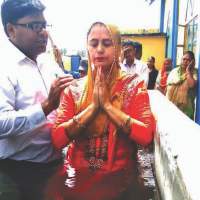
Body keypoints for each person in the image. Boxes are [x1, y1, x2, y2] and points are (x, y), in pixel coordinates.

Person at [47, 22, 155, 200]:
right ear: (87, 47)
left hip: (120, 185)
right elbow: (57, 140)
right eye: (93, 43)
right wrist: (93, 109)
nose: (99, 49)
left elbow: (145, 137)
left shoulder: (134, 86)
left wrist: (108, 107)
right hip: (77, 182)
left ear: (118, 48)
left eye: (107, 43)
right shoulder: (74, 90)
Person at [0, 0, 73, 200]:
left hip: (53, 167)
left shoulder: (48, 62)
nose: (43, 32)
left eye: (44, 25)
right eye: (34, 26)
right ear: (11, 30)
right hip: (15, 174)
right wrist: (46, 107)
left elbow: (69, 97)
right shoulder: (4, 68)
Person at [166, 51, 197, 119]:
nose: (185, 61)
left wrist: (188, 71)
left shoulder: (194, 72)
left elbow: (191, 84)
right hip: (173, 106)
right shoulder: (174, 71)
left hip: (187, 110)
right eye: (184, 59)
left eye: (188, 60)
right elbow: (168, 86)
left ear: (192, 62)